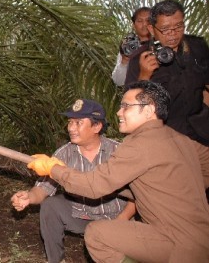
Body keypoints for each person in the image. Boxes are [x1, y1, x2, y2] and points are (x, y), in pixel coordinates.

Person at [27, 81, 209, 262]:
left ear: (148, 110)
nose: (118, 112)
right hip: (200, 237)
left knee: (98, 235)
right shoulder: (182, 140)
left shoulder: (139, 143)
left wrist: (52, 168)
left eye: (126, 107)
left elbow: (93, 186)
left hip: (177, 243)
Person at [11, 99, 136, 263]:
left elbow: (139, 195)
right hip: (81, 214)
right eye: (70, 122)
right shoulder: (64, 154)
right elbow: (43, 188)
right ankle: (56, 260)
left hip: (117, 218)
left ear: (97, 127)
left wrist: (121, 221)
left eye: (78, 123)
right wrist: (29, 197)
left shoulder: (119, 152)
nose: (71, 128)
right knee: (50, 206)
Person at [125, 0, 209, 147]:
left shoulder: (198, 46)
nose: (173, 34)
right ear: (151, 29)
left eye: (178, 26)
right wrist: (145, 75)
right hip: (166, 137)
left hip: (202, 132)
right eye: (165, 29)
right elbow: (130, 105)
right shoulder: (139, 59)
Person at [112, 7, 151, 86]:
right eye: (140, 21)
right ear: (133, 25)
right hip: (134, 95)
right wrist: (125, 60)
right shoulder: (129, 47)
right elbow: (118, 81)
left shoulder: (162, 44)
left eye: (148, 20)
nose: (144, 24)